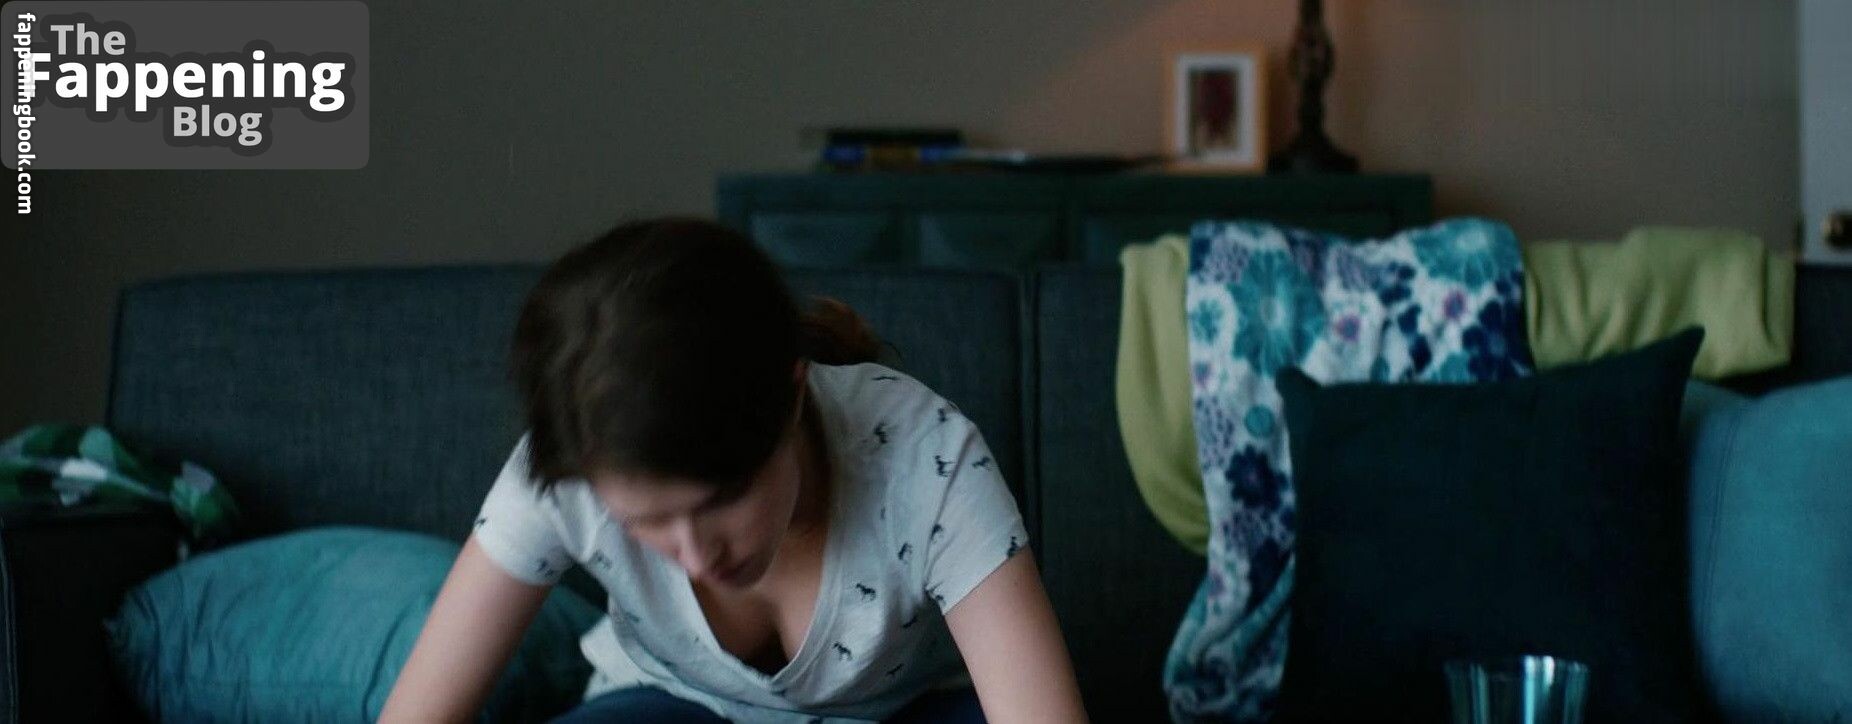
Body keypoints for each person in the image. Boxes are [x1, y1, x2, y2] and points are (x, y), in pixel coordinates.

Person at [379, 218, 1087, 723]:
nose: (695, 556)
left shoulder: (928, 458)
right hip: (670, 704)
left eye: (723, 497)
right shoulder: (570, 460)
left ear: (792, 393)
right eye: (644, 522)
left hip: (908, 711)